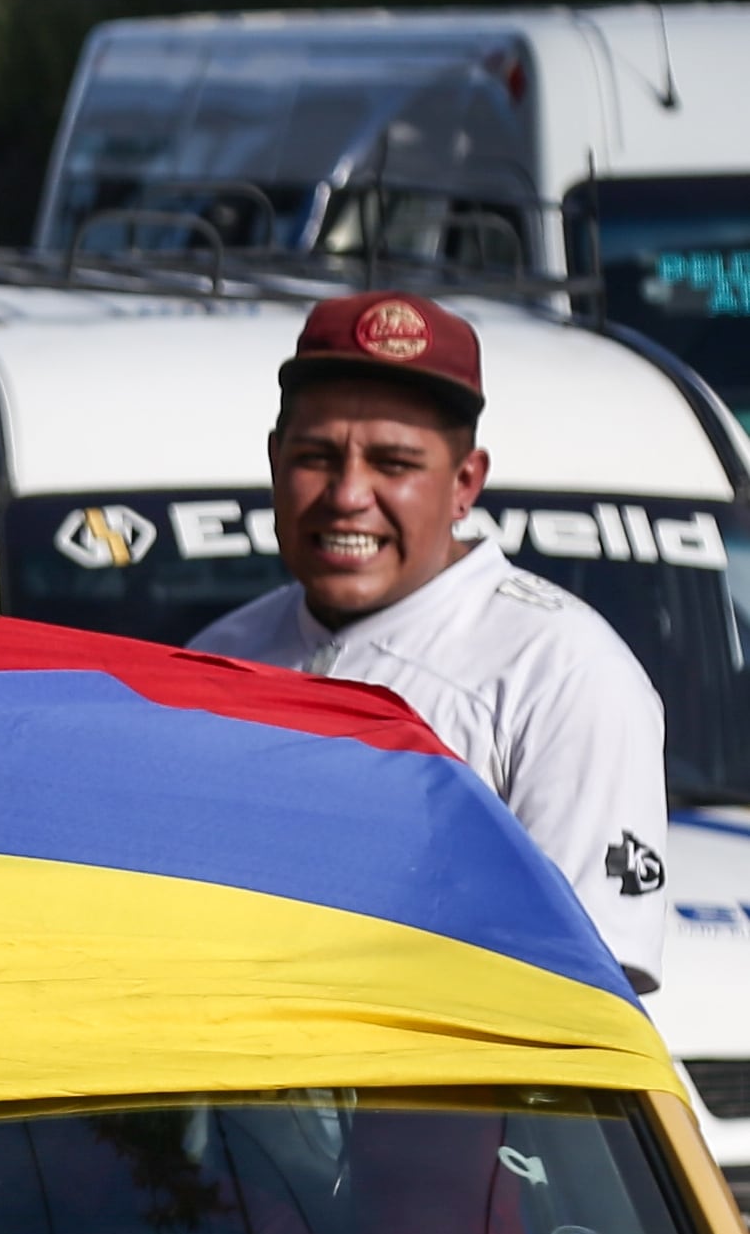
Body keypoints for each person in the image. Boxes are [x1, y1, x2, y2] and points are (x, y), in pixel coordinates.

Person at [192, 290, 671, 989]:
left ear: (464, 483)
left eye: (394, 463)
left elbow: (582, 996)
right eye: (317, 456)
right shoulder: (214, 659)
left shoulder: (563, 671)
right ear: (274, 461)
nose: (348, 494)